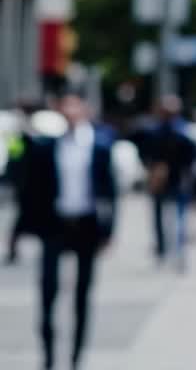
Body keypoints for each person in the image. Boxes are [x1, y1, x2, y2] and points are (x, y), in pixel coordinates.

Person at [26, 93, 116, 370]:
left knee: (82, 294)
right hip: (56, 224)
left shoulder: (99, 146)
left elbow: (110, 193)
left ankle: (77, 357)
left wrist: (109, 230)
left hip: (86, 225)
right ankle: (49, 357)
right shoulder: (47, 146)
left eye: (75, 106)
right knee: (48, 290)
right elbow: (33, 191)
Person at [136, 95, 196, 270]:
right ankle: (164, 250)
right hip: (160, 179)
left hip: (176, 180)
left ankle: (175, 250)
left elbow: (191, 156)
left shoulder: (181, 132)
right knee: (161, 218)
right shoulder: (155, 131)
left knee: (177, 219)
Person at [5, 99, 40, 264]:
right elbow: (14, 155)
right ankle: (13, 249)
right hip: (25, 183)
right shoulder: (20, 133)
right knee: (22, 219)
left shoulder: (36, 130)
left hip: (31, 182)